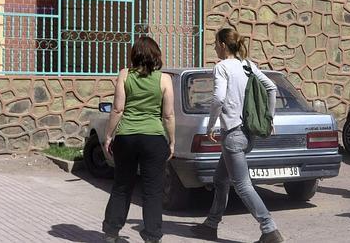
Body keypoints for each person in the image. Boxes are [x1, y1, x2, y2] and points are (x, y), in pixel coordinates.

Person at [191, 28, 283, 243]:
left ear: (223, 45)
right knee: (220, 179)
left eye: (215, 43)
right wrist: (269, 119)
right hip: (248, 134)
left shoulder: (222, 67)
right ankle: (211, 224)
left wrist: (210, 125)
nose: (214, 47)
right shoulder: (248, 65)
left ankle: (269, 229)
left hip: (233, 134)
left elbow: (218, 98)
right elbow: (272, 87)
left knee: (242, 185)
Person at [101, 36, 176, 243]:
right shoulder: (164, 79)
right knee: (152, 191)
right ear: (156, 55)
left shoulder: (125, 75)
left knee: (122, 185)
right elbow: (168, 115)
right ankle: (152, 237)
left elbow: (117, 109)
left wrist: (108, 135)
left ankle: (111, 233)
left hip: (126, 138)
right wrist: (171, 141)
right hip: (153, 139)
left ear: (134, 55)